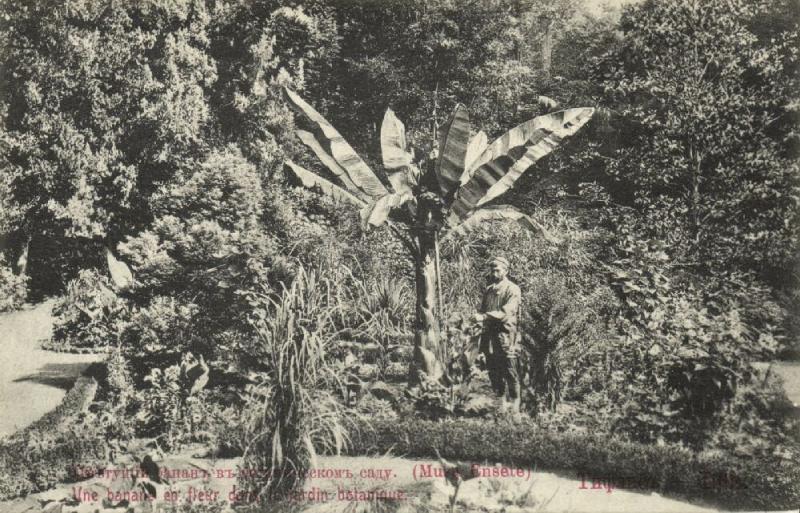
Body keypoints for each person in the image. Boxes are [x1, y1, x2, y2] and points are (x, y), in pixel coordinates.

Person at [473, 256, 522, 413]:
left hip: (505, 334)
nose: (494, 273)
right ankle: (500, 405)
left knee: (509, 369)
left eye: (497, 270)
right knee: (493, 369)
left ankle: (515, 408)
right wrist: (476, 318)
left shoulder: (512, 289)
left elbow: (507, 312)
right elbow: (483, 310)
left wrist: (485, 317)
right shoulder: (489, 290)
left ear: (505, 271)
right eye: (492, 270)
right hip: (489, 336)